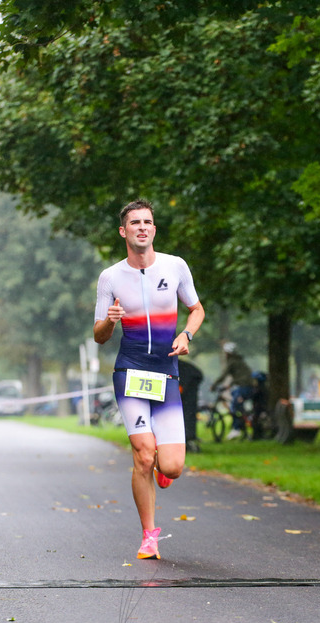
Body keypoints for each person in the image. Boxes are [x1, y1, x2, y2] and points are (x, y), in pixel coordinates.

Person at [94, 199, 205, 560]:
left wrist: (186, 335)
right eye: (135, 222)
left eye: (148, 222)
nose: (142, 227)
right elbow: (99, 335)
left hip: (166, 372)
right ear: (124, 231)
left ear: (154, 229)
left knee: (170, 464)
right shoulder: (110, 277)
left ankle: (163, 468)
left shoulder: (175, 267)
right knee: (143, 455)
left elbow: (196, 309)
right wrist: (110, 319)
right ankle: (149, 536)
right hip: (130, 371)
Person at [210, 342, 255, 440]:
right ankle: (243, 425)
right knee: (236, 401)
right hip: (245, 386)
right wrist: (229, 385)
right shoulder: (239, 361)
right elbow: (239, 376)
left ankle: (236, 429)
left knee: (234, 406)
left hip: (244, 387)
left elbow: (224, 375)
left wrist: (214, 385)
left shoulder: (232, 362)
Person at [177, 359, 203, 453]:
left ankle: (188, 438)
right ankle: (187, 438)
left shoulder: (176, 366)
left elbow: (180, 387)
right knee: (187, 412)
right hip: (189, 381)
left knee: (188, 412)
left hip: (190, 382)